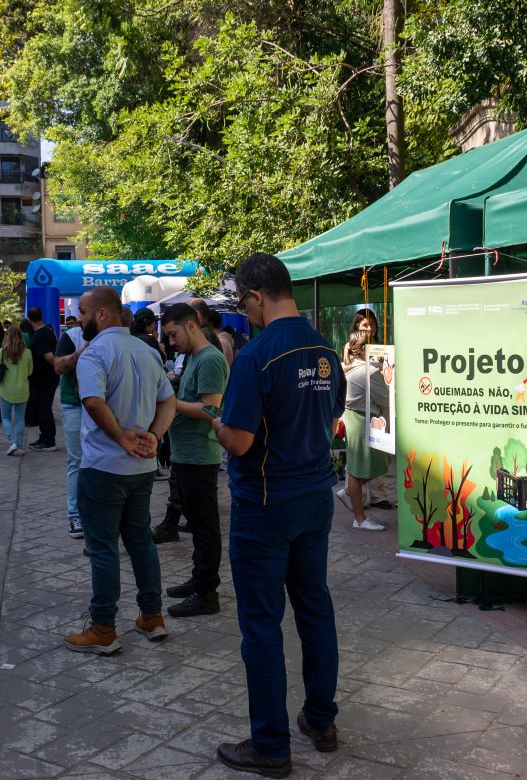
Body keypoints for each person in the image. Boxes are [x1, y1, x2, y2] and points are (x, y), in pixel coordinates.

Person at [212, 253, 344, 776]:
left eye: (242, 303)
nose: (243, 313)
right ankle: (320, 721)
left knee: (262, 626)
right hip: (314, 499)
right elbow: (329, 417)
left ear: (256, 296)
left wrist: (218, 424)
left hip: (265, 505)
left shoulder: (257, 354)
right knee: (315, 609)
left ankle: (270, 746)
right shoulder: (325, 350)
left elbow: (240, 441)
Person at [63, 285, 176, 655]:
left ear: (101, 313)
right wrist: (154, 437)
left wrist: (121, 437)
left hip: (104, 467)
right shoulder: (146, 351)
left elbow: (93, 401)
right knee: (140, 540)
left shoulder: (94, 353)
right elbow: (168, 400)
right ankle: (152, 616)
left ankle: (103, 628)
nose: (78, 319)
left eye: (81, 312)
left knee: (103, 548)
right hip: (140, 469)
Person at [159, 303, 228, 617]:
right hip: (186, 454)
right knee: (198, 525)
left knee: (204, 527)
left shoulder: (210, 359)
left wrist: (171, 404)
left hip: (200, 455)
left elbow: (211, 410)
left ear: (190, 326)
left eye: (173, 334)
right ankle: (199, 579)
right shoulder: (194, 358)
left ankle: (206, 593)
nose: (171, 342)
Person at [337, 331, 390, 530]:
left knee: (362, 467)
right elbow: (384, 399)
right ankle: (359, 518)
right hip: (364, 419)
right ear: (365, 349)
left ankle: (350, 493)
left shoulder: (345, 367)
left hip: (352, 418)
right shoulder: (370, 372)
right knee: (362, 470)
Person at [54, 319, 87, 539]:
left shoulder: (110, 336)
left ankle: (96, 514)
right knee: (76, 460)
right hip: (75, 405)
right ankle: (75, 514)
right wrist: (81, 352)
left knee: (101, 460)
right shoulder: (72, 336)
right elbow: (58, 366)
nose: (83, 317)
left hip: (105, 403)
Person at [0, 324, 32, 455]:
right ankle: (20, 446)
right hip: (23, 390)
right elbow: (30, 371)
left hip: (5, 390)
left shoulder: (2, 352)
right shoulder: (27, 353)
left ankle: (12, 442)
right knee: (20, 418)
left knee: (5, 417)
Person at [25, 307, 59, 452]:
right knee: (42, 409)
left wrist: (59, 367)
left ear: (29, 319)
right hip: (46, 378)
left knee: (44, 409)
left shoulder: (39, 336)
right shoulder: (49, 331)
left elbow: (50, 357)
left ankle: (49, 441)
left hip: (43, 379)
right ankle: (44, 436)